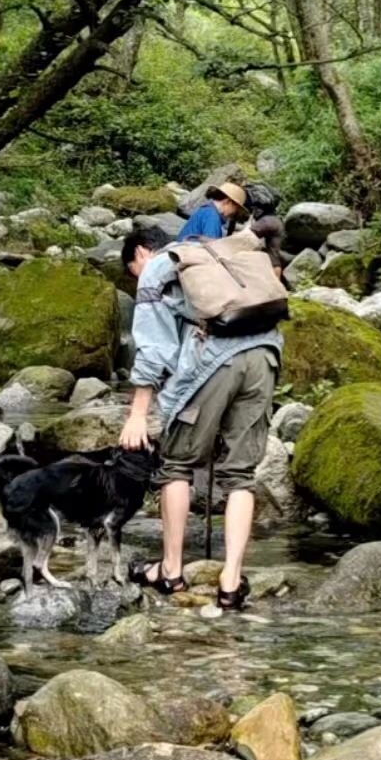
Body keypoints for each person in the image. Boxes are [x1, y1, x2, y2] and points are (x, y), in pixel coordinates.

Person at [118, 223, 282, 612]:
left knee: (175, 464)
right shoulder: (219, 250)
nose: (136, 279)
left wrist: (138, 414)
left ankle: (171, 570)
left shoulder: (158, 269)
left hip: (212, 360)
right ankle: (231, 581)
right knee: (240, 472)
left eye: (132, 271)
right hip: (265, 353)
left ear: (141, 253)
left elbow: (156, 347)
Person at [177, 181, 248, 241]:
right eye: (236, 208)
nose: (234, 212)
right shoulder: (212, 216)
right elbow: (212, 247)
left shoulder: (206, 209)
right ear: (228, 202)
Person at [244, 181, 284, 278]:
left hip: (272, 267)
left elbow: (245, 236)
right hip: (274, 264)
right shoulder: (274, 219)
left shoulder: (267, 221)